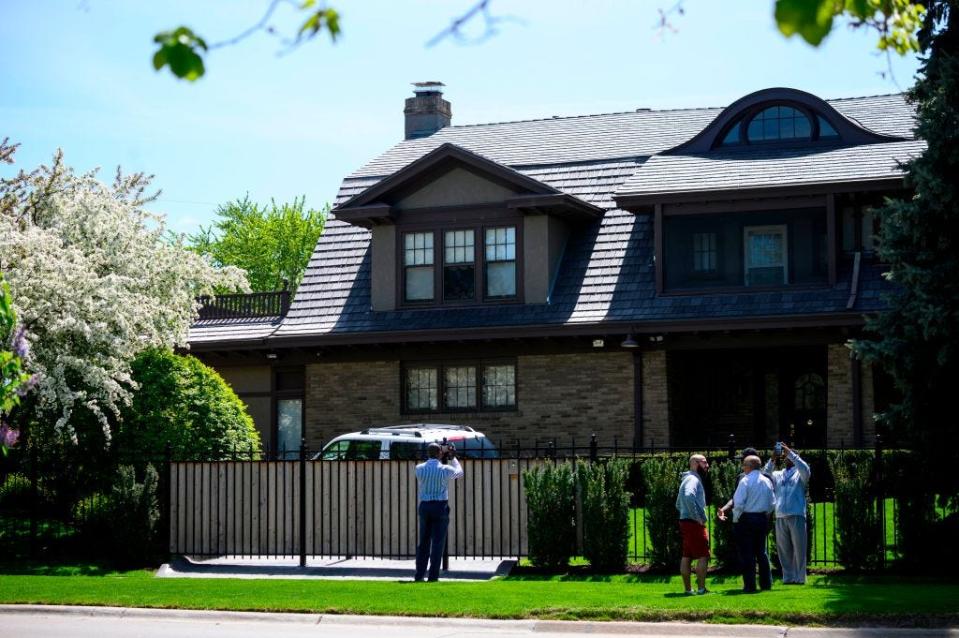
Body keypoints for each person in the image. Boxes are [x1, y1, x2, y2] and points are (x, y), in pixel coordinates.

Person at [414, 441, 464, 582]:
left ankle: (419, 575)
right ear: (440, 453)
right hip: (440, 506)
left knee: (423, 542)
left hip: (424, 506)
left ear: (428, 453)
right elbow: (459, 474)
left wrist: (442, 455)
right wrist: (453, 457)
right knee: (438, 542)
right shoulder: (445, 469)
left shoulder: (419, 468)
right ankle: (433, 576)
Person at [764, 443, 811, 584]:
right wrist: (773, 458)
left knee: (799, 548)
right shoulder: (778, 474)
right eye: (785, 456)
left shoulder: (800, 473)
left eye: (789, 456)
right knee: (784, 549)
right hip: (780, 515)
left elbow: (806, 469)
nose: (786, 458)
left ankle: (800, 577)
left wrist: (790, 452)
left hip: (796, 514)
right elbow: (765, 475)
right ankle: (788, 577)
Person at [732, 454, 776, 593]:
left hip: (747, 518)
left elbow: (738, 503)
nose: (743, 467)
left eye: (744, 465)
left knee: (748, 553)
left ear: (749, 467)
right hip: (762, 518)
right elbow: (772, 503)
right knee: (761, 552)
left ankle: (750, 585)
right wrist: (766, 515)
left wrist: (735, 519)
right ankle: (766, 583)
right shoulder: (766, 481)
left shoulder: (745, 481)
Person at [675, 454, 710, 595]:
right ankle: (701, 589)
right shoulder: (693, 479)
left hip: (685, 521)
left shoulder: (686, 478)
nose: (707, 465)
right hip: (693, 523)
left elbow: (678, 503)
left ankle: (688, 590)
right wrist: (697, 517)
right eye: (704, 462)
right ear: (695, 463)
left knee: (687, 555)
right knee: (703, 555)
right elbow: (689, 496)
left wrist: (685, 513)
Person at [717, 447, 759, 522]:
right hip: (744, 519)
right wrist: (723, 509)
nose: (741, 463)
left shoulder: (765, 477)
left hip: (755, 518)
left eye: (743, 460)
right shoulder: (741, 477)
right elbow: (735, 498)